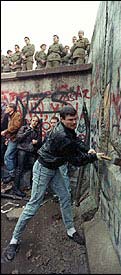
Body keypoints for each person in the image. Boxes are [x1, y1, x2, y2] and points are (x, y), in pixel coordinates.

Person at [3, 106, 104, 261]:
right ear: (62, 119)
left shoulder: (66, 129)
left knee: (65, 197)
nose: (74, 122)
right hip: (43, 168)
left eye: (75, 119)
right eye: (70, 120)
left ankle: (70, 230)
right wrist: (93, 157)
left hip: (54, 166)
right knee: (33, 205)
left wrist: (88, 149)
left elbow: (75, 140)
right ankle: (14, 240)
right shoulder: (61, 135)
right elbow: (76, 160)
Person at [12, 115, 42, 197]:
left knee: (33, 169)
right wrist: (27, 132)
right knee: (19, 169)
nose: (34, 122)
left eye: (36, 121)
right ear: (30, 121)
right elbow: (18, 138)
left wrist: (37, 142)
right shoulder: (24, 128)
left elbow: (40, 142)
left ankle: (30, 187)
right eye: (33, 120)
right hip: (22, 150)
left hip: (31, 152)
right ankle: (16, 189)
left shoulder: (37, 131)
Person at [1, 103, 22, 184]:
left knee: (8, 156)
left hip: (15, 139)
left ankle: (12, 174)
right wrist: (7, 138)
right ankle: (12, 174)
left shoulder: (17, 115)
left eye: (7, 107)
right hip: (11, 138)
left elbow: (16, 126)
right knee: (11, 156)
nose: (6, 108)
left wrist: (5, 131)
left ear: (12, 109)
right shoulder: (10, 116)